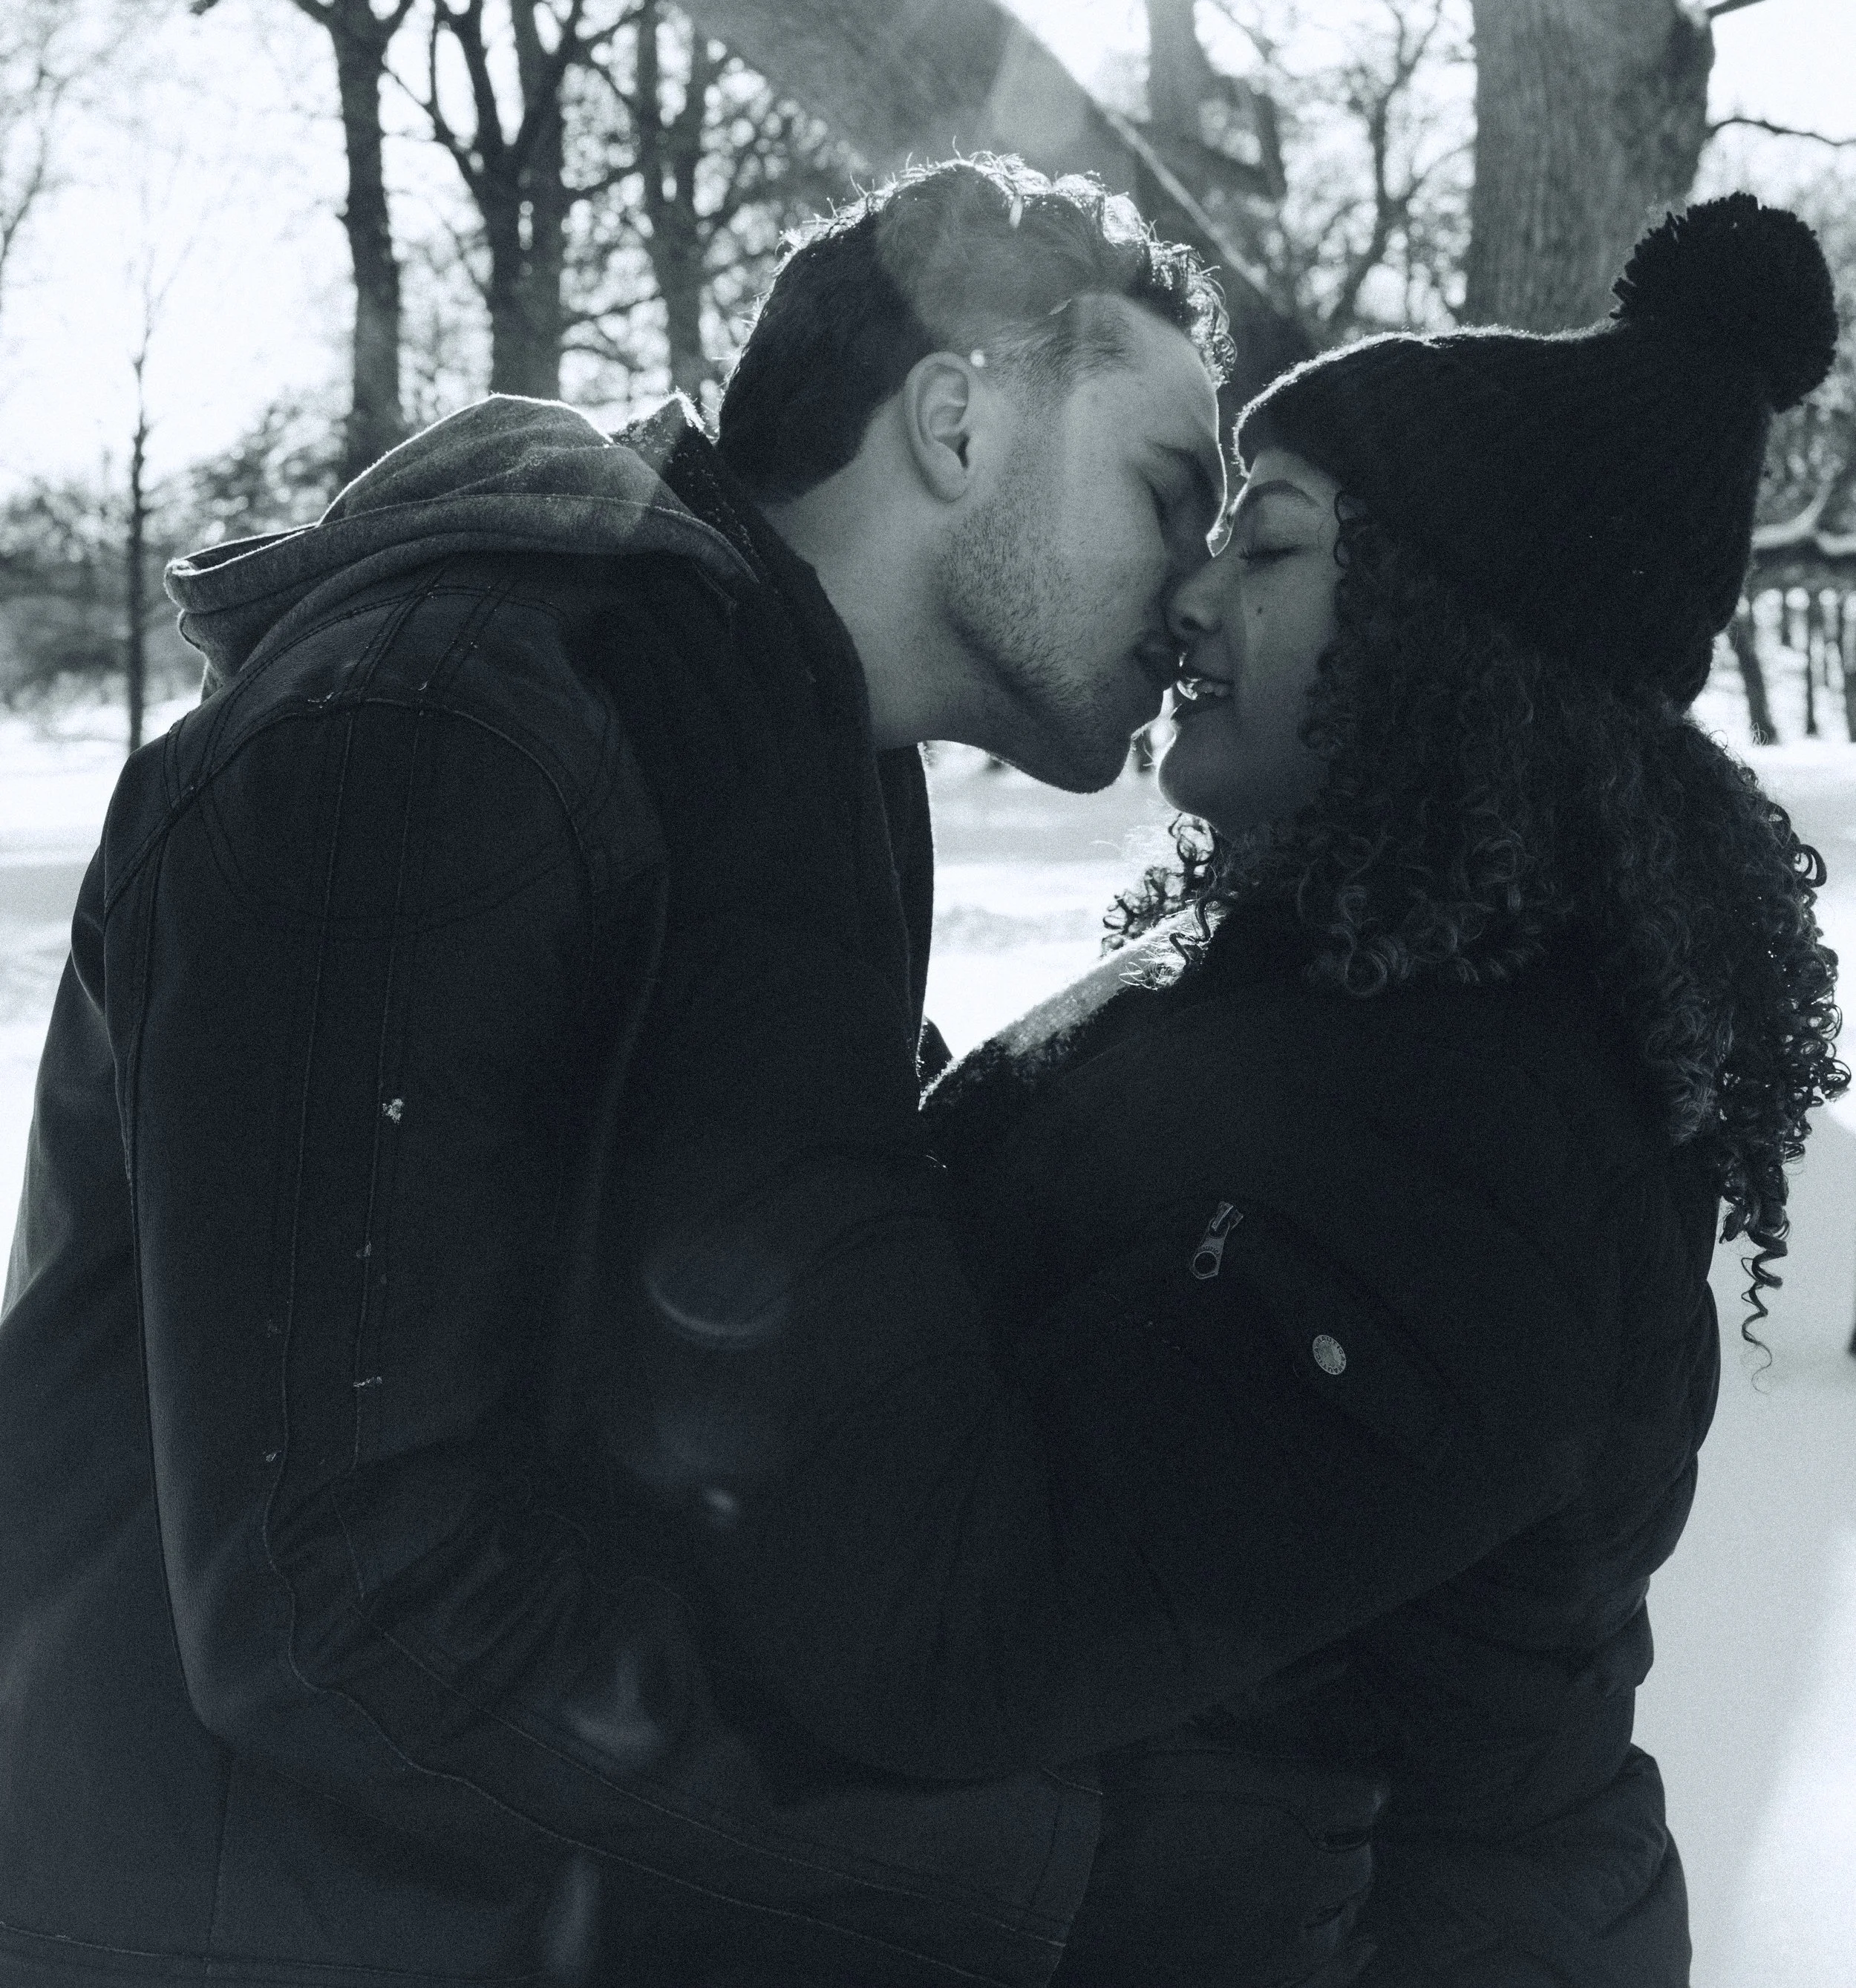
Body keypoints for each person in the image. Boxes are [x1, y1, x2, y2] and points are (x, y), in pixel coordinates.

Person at [0, 154, 1337, 1988]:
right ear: (954, 417)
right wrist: (1031, 1866)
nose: (1196, 596)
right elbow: (342, 1611)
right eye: (1167, 490)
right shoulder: (442, 731)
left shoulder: (779, 755)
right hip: (233, 1920)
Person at [923, 192, 1848, 1987]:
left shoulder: (1473, 1142)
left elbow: (980, 1619)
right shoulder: (1338, 978)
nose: (1186, 592)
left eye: (1263, 547)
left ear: (1442, 648)